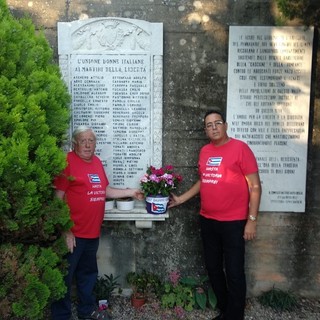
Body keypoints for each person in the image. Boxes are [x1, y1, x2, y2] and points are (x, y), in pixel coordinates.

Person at [169, 110, 262, 320]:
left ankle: (235, 316)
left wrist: (252, 221)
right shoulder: (205, 151)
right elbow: (205, 180)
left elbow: (255, 186)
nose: (213, 127)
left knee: (234, 271)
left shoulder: (240, 149)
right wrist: (182, 198)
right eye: (209, 125)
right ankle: (225, 309)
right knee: (212, 267)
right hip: (208, 220)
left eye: (217, 123)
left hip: (234, 222)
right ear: (205, 130)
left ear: (225, 125)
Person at [51, 126, 144, 320]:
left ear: (95, 144)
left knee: (88, 274)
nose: (87, 144)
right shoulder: (67, 162)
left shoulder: (96, 162)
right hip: (73, 234)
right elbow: (57, 198)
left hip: (92, 232)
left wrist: (130, 192)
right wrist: (65, 230)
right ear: (74, 143)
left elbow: (105, 191)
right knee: (64, 277)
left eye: (91, 141)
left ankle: (87, 311)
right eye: (83, 141)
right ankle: (61, 316)